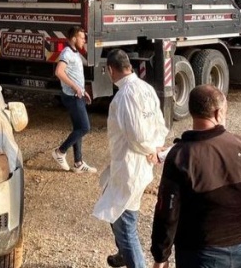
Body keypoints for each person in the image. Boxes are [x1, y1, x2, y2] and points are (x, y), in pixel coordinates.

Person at [150, 85, 241, 268]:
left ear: (192, 112)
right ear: (218, 112)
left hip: (200, 255)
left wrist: (161, 256)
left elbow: (167, 212)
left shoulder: (181, 156)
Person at [92, 49, 168, 268]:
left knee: (125, 224)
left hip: (130, 165)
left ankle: (132, 259)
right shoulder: (147, 88)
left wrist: (150, 150)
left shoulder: (124, 96)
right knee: (115, 201)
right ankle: (123, 253)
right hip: (136, 163)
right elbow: (159, 122)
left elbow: (136, 135)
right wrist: (156, 147)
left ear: (110, 70)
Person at [51, 26, 97, 174]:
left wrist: (82, 91)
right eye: (82, 37)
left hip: (77, 95)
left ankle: (78, 163)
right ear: (73, 38)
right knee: (84, 127)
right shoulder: (67, 53)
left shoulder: (75, 53)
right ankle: (60, 151)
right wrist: (76, 88)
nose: (84, 40)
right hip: (72, 97)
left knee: (78, 128)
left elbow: (74, 75)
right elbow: (59, 71)